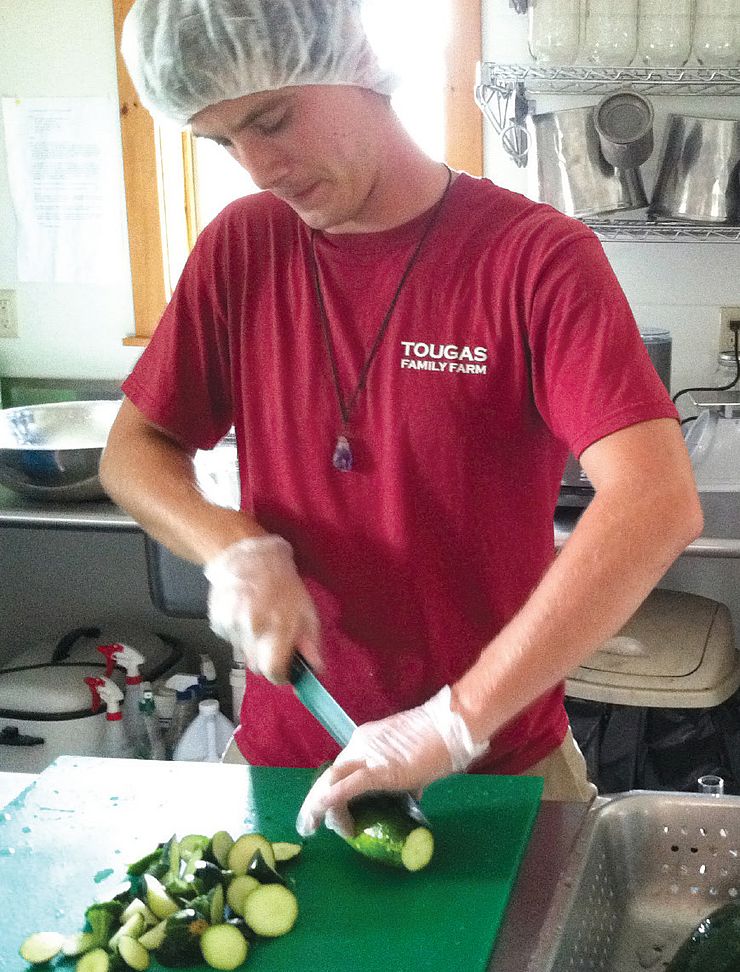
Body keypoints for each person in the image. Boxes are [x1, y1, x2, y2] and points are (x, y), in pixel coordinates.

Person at [103, 0, 703, 837]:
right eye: (221, 141)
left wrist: (449, 723)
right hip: (287, 762)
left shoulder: (533, 257)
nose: (257, 166)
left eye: (272, 120)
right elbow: (133, 451)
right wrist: (230, 543)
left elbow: (656, 501)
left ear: (360, 64)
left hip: (497, 766)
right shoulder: (244, 248)